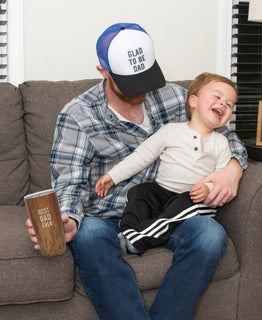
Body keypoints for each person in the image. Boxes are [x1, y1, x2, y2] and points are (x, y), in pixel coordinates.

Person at [26, 22, 248, 320]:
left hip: (167, 208)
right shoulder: (79, 114)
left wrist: (233, 168)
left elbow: (225, 137)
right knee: (88, 236)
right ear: (103, 71)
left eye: (146, 77)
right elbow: (70, 181)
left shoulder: (174, 96)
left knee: (210, 235)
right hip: (106, 215)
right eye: (131, 82)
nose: (143, 89)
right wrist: (69, 218)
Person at [95, 72, 237, 255]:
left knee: (186, 203)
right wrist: (112, 176)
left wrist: (208, 189)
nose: (224, 104)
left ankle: (139, 239)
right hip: (163, 193)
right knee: (140, 191)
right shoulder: (170, 131)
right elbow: (141, 156)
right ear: (193, 101)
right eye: (217, 97)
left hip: (195, 199)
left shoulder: (221, 142)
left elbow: (221, 176)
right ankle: (127, 231)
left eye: (230, 104)